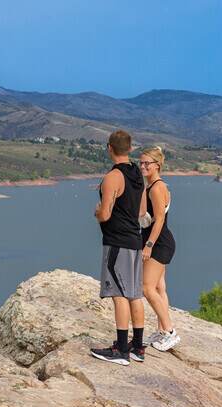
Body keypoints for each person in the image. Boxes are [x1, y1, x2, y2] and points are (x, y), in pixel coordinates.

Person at [90, 130, 146, 365]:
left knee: (119, 294)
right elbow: (142, 212)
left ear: (109, 148)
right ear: (130, 149)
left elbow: (105, 215)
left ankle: (122, 350)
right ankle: (137, 347)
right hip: (135, 241)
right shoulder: (136, 174)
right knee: (134, 293)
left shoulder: (113, 176)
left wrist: (97, 211)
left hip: (117, 243)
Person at [139, 147, 180, 351]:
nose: (143, 166)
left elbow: (160, 220)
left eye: (147, 163)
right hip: (158, 241)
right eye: (142, 162)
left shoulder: (156, 187)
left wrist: (148, 246)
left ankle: (170, 332)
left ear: (158, 165)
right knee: (159, 288)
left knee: (147, 287)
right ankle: (162, 332)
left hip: (159, 243)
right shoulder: (151, 186)